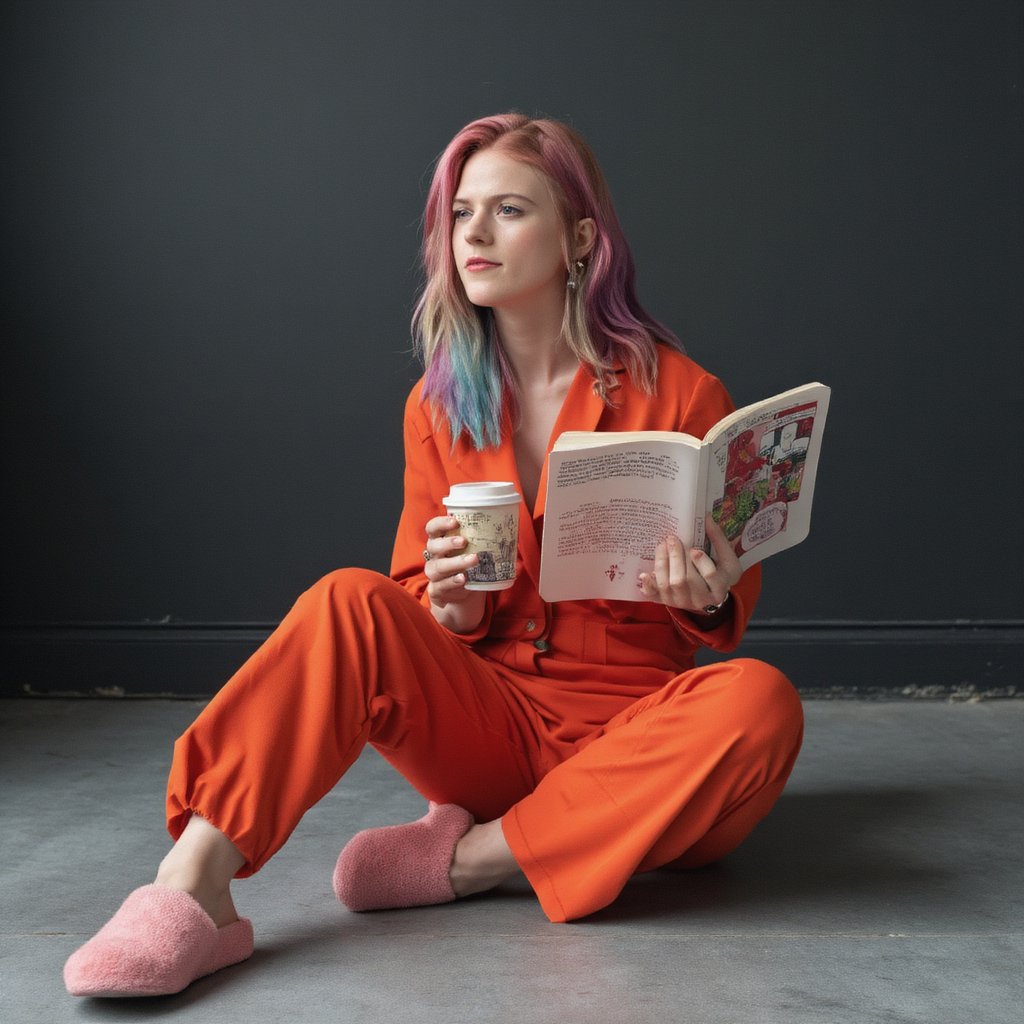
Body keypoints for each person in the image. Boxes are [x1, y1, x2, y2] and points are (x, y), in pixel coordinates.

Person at [64, 113, 804, 998]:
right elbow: (419, 595)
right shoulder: (439, 404)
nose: (476, 235)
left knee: (760, 700)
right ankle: (193, 887)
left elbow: (724, 611)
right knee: (350, 597)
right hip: (486, 726)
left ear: (579, 239)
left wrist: (703, 593)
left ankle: (468, 860)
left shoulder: (681, 390)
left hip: (636, 748)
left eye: (509, 211)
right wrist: (450, 604)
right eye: (461, 214)